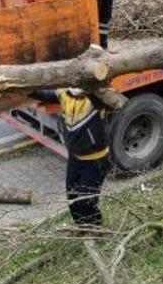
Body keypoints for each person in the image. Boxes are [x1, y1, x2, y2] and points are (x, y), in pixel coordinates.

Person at [32, 88, 112, 228]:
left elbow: (113, 101)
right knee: (72, 197)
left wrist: (92, 87)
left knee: (86, 200)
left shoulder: (96, 99)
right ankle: (81, 227)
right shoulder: (64, 94)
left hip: (96, 160)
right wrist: (23, 88)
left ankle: (95, 228)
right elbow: (44, 94)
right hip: (75, 158)